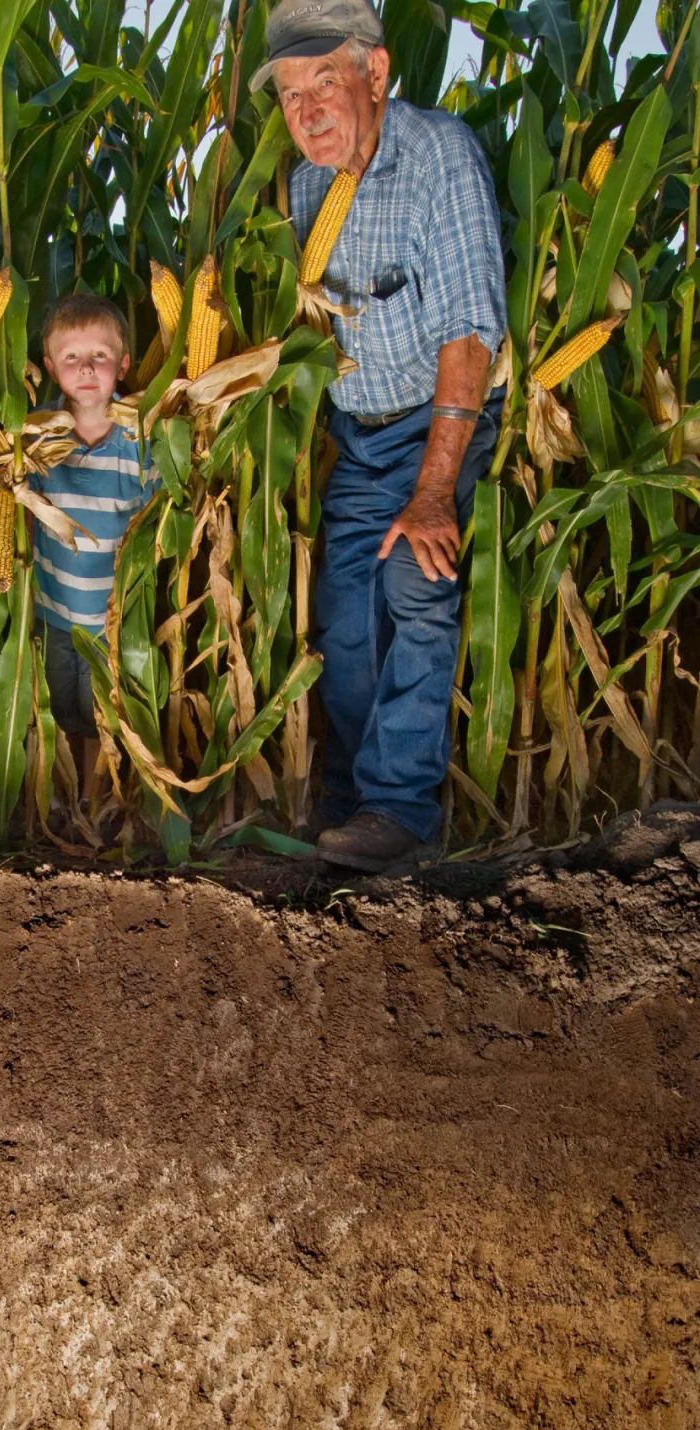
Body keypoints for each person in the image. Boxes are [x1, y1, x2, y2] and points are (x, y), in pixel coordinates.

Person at [251, 0, 507, 871]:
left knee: (415, 578)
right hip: (359, 432)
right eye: (291, 95)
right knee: (345, 618)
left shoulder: (439, 157)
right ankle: (358, 799)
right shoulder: (305, 186)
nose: (310, 110)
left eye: (327, 82)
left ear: (377, 73)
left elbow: (470, 331)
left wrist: (433, 491)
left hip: (445, 419)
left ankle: (399, 810)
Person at [31, 293, 161, 803]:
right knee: (62, 713)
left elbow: (158, 520)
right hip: (54, 615)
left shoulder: (140, 440)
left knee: (104, 718)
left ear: (123, 364)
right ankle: (59, 803)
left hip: (113, 620)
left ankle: (95, 805)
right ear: (50, 367)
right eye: (71, 358)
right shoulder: (36, 436)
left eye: (101, 357)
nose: (87, 369)